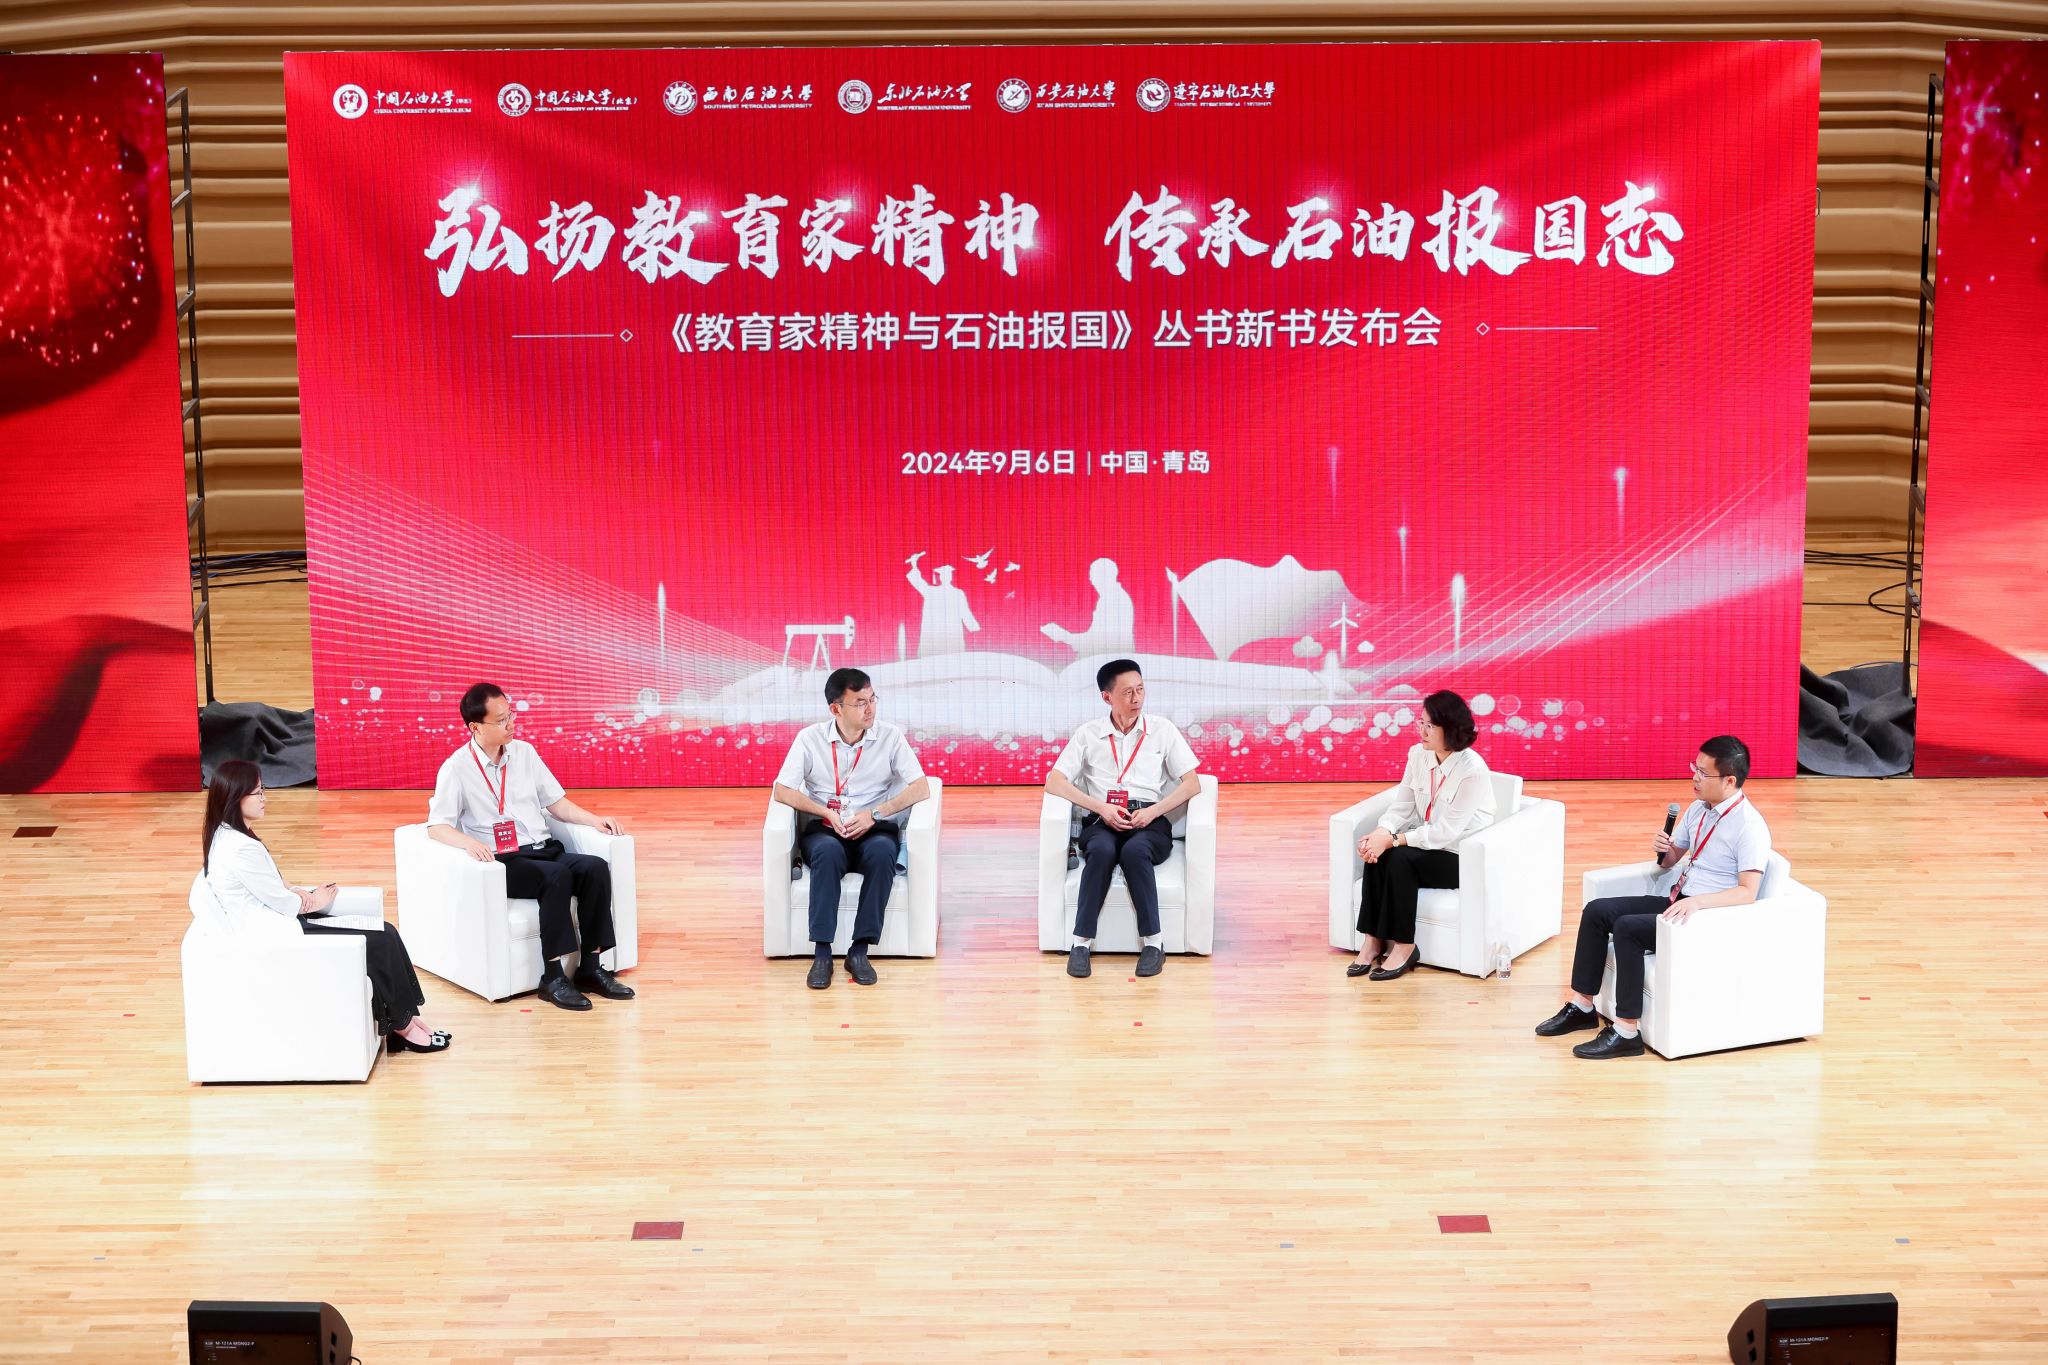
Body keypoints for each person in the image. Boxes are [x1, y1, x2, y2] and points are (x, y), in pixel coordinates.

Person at [1534, 734, 1772, 1059]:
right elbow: (1672, 860)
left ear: (1729, 780)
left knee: (1628, 928)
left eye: (1703, 773)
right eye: (1694, 768)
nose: (1694, 777)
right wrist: (1665, 850)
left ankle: (1626, 1031)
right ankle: (1583, 1006)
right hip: (1678, 902)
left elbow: (1747, 892)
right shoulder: (1698, 809)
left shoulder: (1749, 826)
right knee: (1596, 911)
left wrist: (1697, 902)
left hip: (1705, 916)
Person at [199, 759, 447, 1055]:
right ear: (236, 798)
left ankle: (408, 1019)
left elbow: (271, 885)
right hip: (276, 932)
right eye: (258, 792)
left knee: (386, 932)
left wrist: (297, 891)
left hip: (279, 919)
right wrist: (315, 900)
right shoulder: (240, 848)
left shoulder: (231, 836)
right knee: (380, 940)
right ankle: (403, 1028)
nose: (264, 798)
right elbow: (282, 903)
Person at [426, 683, 635, 1012]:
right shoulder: (457, 768)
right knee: (555, 877)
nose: (511, 724)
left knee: (594, 868)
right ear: (475, 727)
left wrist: (595, 820)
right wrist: (469, 843)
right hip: (506, 861)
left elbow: (556, 803)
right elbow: (437, 825)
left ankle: (591, 968)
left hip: (544, 849)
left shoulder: (524, 753)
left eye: (511, 715)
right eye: (501, 720)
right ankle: (552, 978)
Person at [772, 667, 931, 989]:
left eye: (872, 699)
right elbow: (782, 790)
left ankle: (859, 951)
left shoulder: (890, 736)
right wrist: (825, 813)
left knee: (883, 852)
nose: (870, 708)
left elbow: (921, 787)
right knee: (827, 853)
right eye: (860, 703)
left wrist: (875, 813)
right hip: (826, 827)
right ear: (836, 709)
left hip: (874, 826)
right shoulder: (810, 739)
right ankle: (822, 953)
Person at [1045, 658, 1202, 980]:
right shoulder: (1088, 734)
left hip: (1149, 819)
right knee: (1101, 850)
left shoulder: (1162, 730)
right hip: (1103, 819)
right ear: (1107, 697)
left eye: (1140, 690)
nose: (1136, 698)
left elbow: (1192, 784)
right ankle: (1080, 944)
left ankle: (1154, 944)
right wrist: (1100, 807)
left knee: (1135, 851)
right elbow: (1054, 781)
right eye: (1128, 692)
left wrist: (1153, 812)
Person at [1348, 690, 1497, 981]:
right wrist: (1381, 833)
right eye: (1421, 723)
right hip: (1425, 846)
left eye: (1430, 725)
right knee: (1380, 852)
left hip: (1459, 855)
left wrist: (1393, 840)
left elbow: (1445, 833)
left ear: (1450, 729)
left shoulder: (1473, 770)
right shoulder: (1418, 755)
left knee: (1398, 857)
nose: (1422, 731)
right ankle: (1372, 940)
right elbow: (1402, 806)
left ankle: (1405, 946)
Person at [905, 553, 980, 656]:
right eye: (944, 575)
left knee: (952, 654)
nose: (946, 577)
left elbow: (964, 611)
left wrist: (974, 627)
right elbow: (918, 582)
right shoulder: (931, 591)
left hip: (952, 629)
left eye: (948, 575)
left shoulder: (957, 593)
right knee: (934, 654)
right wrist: (914, 565)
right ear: (940, 577)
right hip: (935, 629)